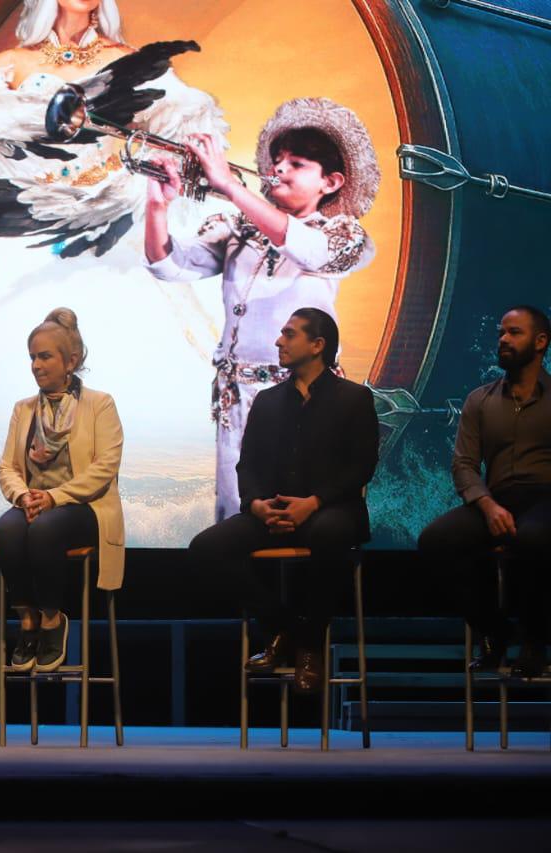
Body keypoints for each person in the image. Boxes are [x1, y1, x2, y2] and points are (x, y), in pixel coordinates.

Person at [0, 0, 229, 537]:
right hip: (30, 222)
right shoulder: (14, 64)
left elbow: (191, 125)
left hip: (107, 225)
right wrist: (23, 127)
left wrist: (146, 165)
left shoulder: (129, 60)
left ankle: (143, 517)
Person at [145, 97, 380, 521]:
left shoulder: (342, 234)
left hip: (304, 395)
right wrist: (158, 207)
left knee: (300, 504)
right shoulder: (238, 229)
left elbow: (305, 249)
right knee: (237, 511)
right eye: (278, 160)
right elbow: (169, 265)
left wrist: (230, 187)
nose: (280, 169)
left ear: (331, 183)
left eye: (297, 164)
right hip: (237, 395)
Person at [188, 309, 378, 692]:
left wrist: (314, 501)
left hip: (331, 510)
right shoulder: (269, 400)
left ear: (318, 345)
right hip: (272, 511)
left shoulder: (354, 398)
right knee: (206, 548)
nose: (279, 341)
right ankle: (285, 628)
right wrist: (256, 504)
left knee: (328, 535)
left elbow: (361, 467)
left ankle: (310, 646)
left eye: (289, 334)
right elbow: (248, 466)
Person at [418, 305, 551, 678]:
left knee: (534, 538)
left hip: (545, 497)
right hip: (497, 497)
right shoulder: (480, 399)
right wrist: (488, 505)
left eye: (514, 333)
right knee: (436, 541)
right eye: (501, 333)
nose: (504, 340)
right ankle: (494, 629)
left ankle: (534, 640)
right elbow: (463, 465)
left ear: (540, 342)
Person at [0, 308, 124, 671]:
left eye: (45, 356)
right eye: (32, 357)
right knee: (6, 529)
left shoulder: (100, 404)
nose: (36, 365)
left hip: (84, 508)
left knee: (46, 529)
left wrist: (53, 497)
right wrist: (23, 495)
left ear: (72, 360)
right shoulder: (23, 409)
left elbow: (104, 468)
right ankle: (27, 619)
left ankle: (53, 618)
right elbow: (7, 466)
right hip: (34, 503)